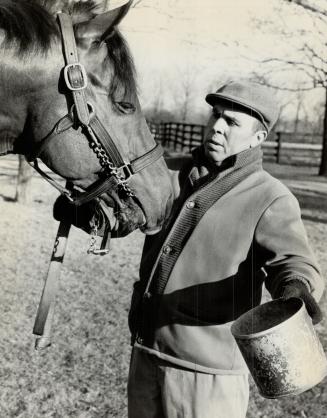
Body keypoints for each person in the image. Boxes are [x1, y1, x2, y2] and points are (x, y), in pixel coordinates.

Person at [53, 80, 324, 417]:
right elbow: (128, 216)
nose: (218, 127)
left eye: (233, 122)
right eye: (216, 116)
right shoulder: (170, 173)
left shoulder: (270, 198)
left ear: (258, 138)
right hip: (146, 353)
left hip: (207, 375)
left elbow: (294, 263)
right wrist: (87, 212)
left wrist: (295, 287)